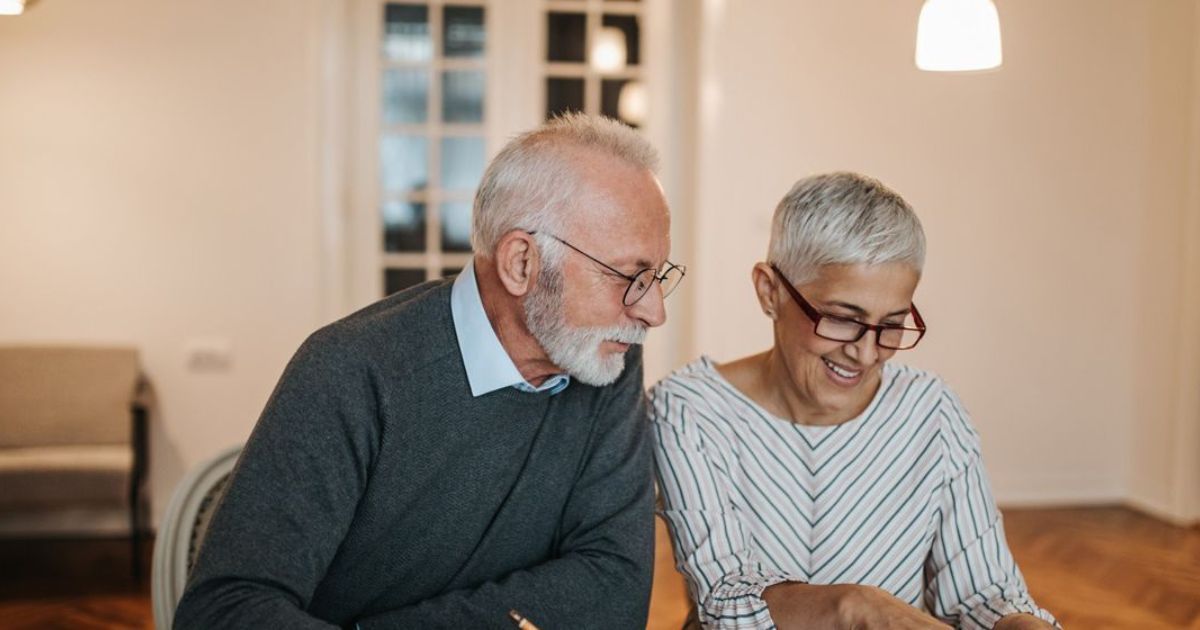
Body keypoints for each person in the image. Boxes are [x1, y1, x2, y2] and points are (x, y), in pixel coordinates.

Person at [174, 114, 686, 629]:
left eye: (658, 275)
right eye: (629, 276)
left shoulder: (605, 359)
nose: (653, 311)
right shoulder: (351, 371)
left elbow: (615, 588)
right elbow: (223, 611)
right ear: (521, 264)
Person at [651, 172, 1057, 629]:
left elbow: (985, 593)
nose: (866, 354)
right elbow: (724, 601)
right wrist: (856, 607)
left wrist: (1020, 624)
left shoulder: (932, 411)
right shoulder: (689, 411)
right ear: (770, 292)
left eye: (892, 324)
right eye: (843, 318)